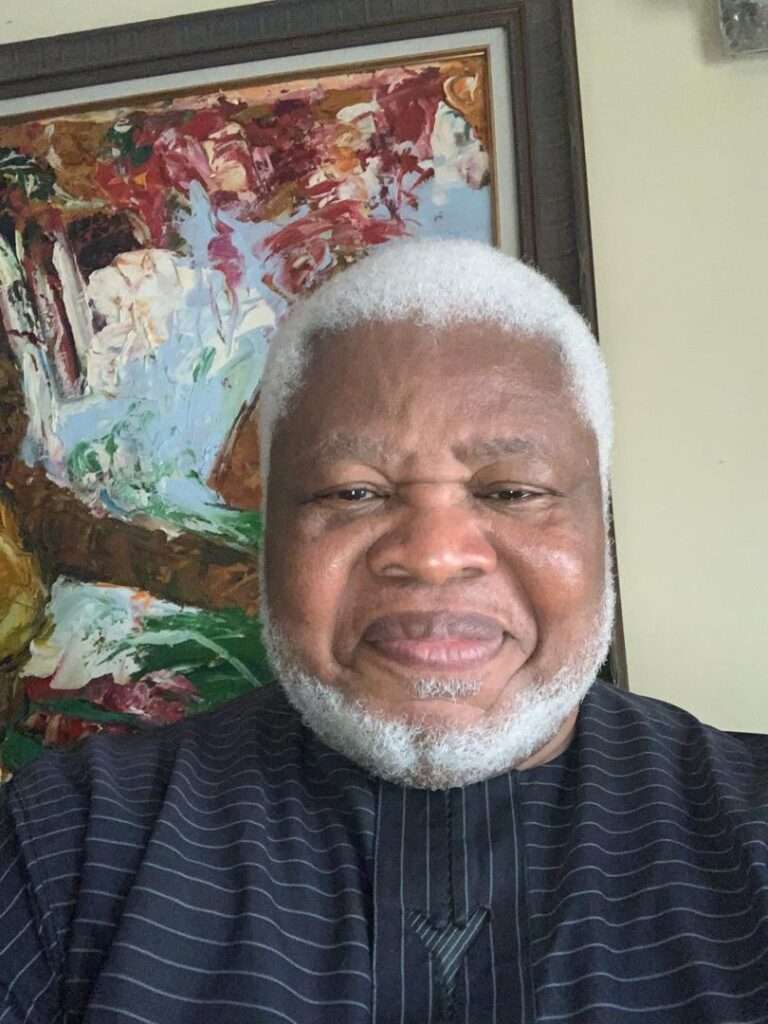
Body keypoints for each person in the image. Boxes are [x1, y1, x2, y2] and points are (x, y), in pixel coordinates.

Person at [1, 239, 766, 1023]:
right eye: (353, 492)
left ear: (600, 525)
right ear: (268, 540)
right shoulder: (65, 841)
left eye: (512, 491)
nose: (433, 554)